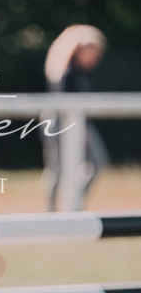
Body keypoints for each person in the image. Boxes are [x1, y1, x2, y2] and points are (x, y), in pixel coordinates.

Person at [42, 24, 109, 211]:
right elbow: (64, 104)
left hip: (81, 123)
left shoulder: (82, 72)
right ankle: (51, 212)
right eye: (93, 51)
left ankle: (76, 204)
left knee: (98, 161)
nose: (96, 56)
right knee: (58, 169)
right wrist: (77, 130)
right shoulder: (66, 71)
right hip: (60, 123)